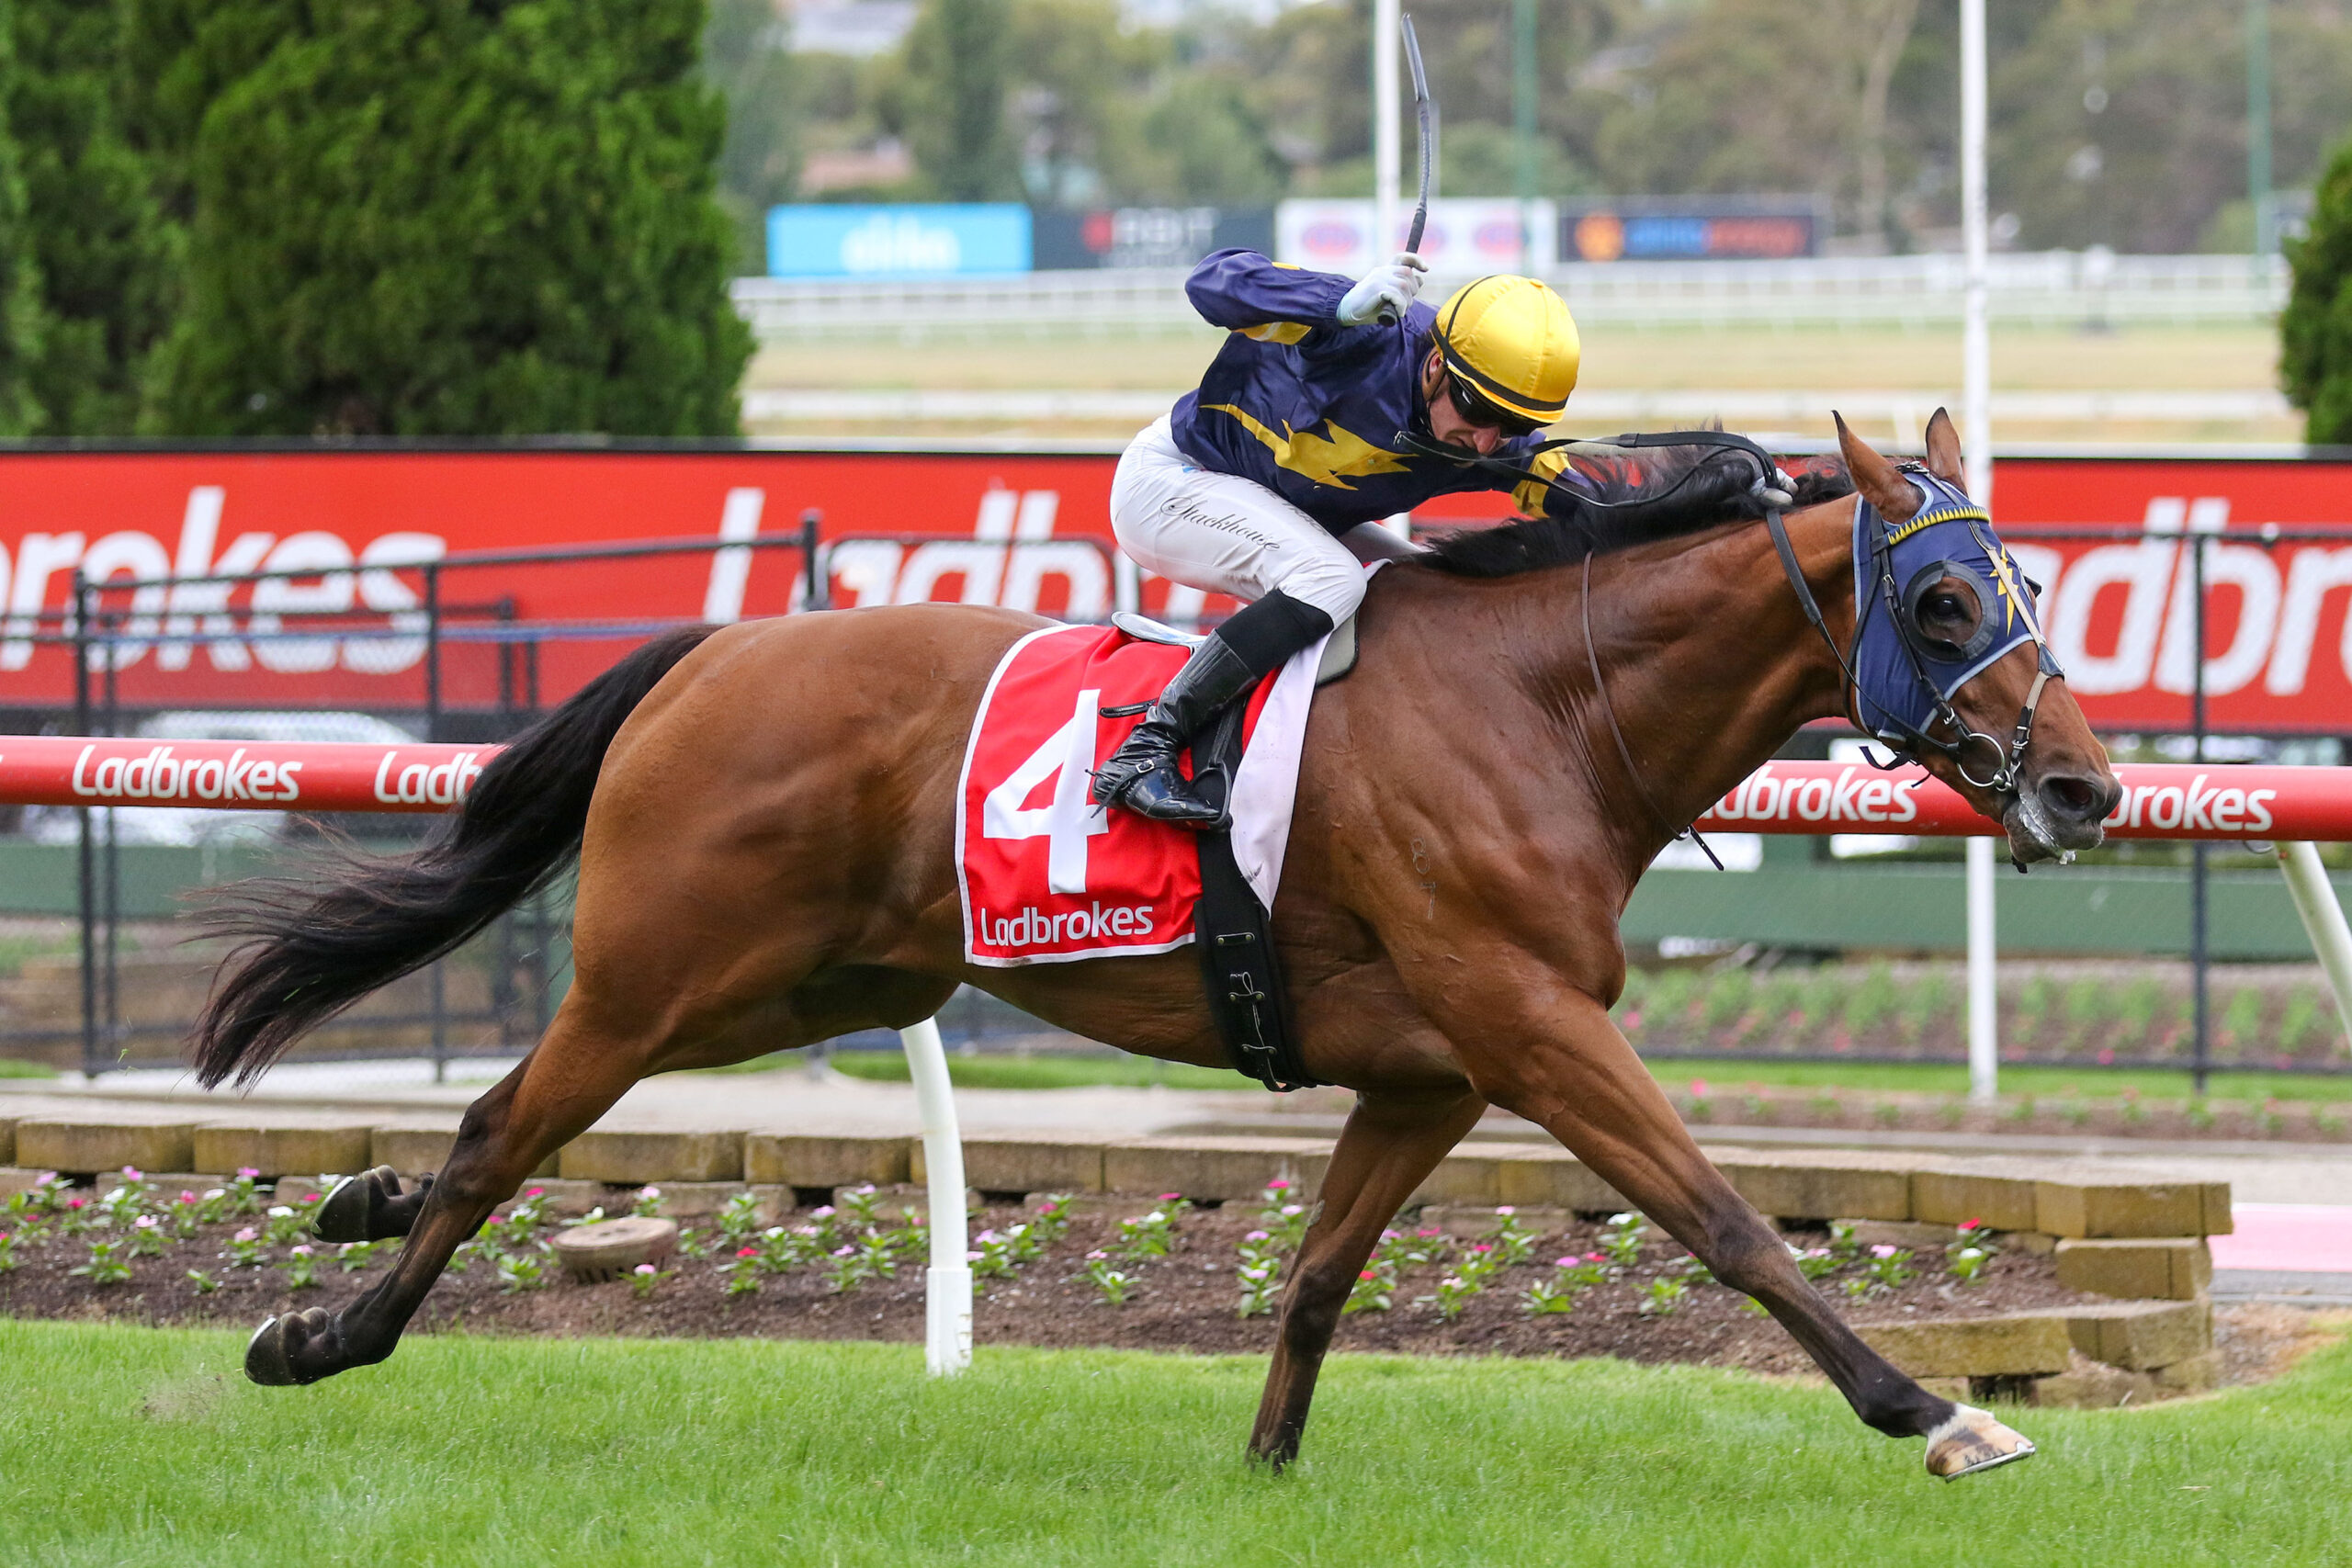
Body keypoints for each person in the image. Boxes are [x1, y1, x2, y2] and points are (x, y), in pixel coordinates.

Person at [1092, 246, 1604, 826]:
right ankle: (1147, 747)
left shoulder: (1490, 443)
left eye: (1513, 424)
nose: (1486, 441)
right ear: (1437, 364)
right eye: (1477, 410)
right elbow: (1210, 282)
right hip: (1173, 480)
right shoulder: (1360, 335)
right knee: (1331, 579)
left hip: (1281, 508)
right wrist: (1335, 305)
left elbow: (1594, 502)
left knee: (1430, 591)